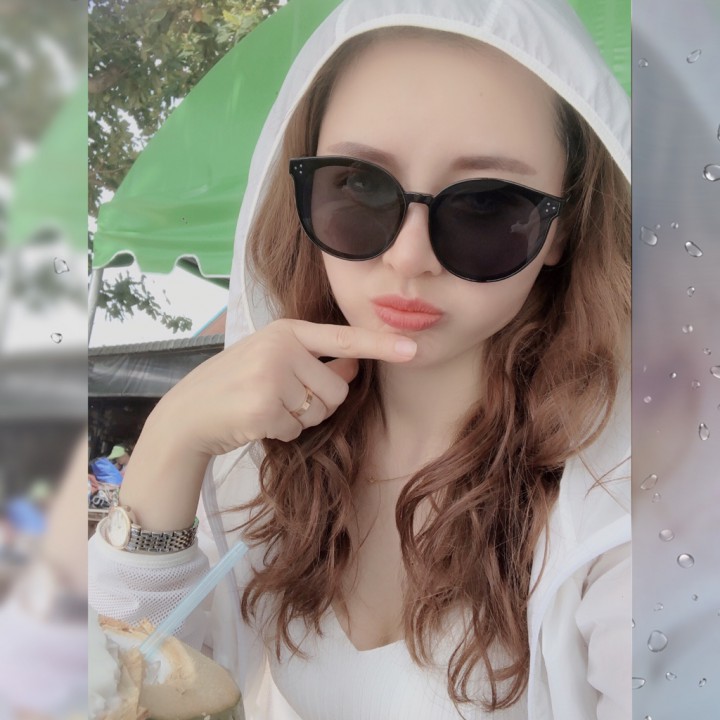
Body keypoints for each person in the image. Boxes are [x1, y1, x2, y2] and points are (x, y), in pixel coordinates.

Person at [89, 1, 630, 718]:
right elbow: (135, 683)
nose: (408, 256)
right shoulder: (266, 455)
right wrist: (173, 436)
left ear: (563, 230)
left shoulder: (628, 498)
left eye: (487, 204)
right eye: (360, 185)